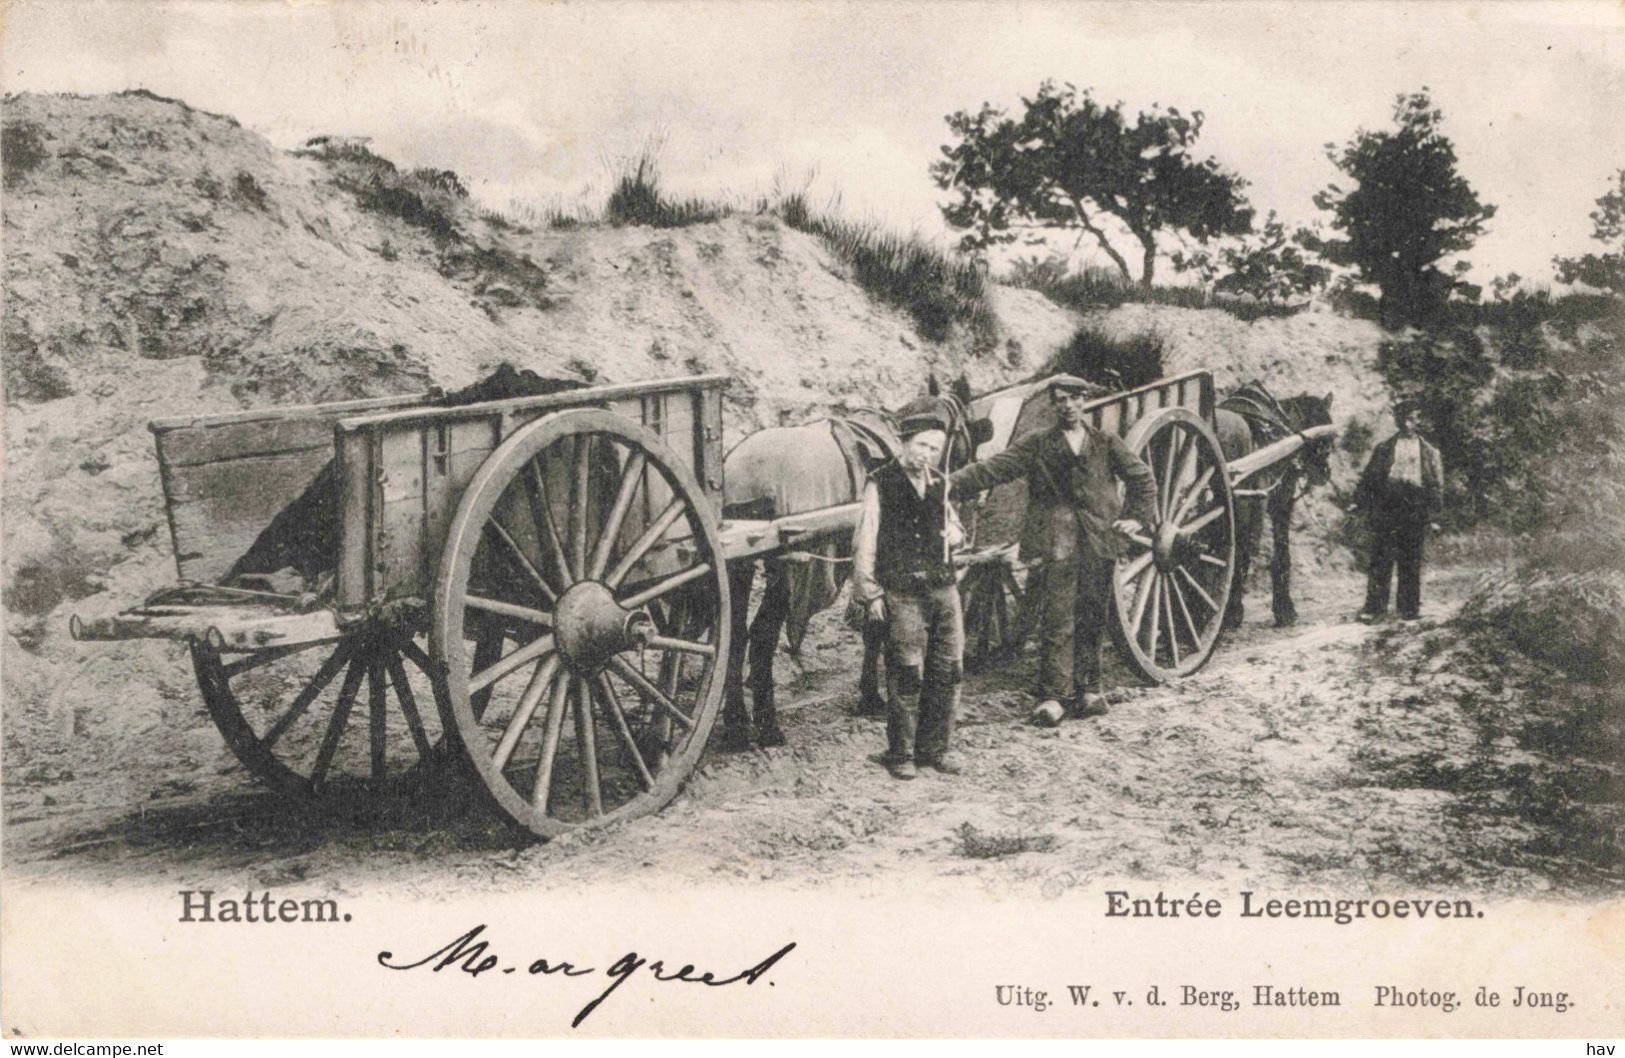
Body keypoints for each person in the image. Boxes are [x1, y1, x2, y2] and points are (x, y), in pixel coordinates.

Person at [950, 375, 1156, 726]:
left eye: (1075, 399)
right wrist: (948, 483)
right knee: (1057, 618)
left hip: (1099, 539)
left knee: (1093, 613)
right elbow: (994, 469)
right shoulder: (1038, 443)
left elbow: (1142, 479)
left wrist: (1136, 518)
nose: (1068, 406)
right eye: (1061, 400)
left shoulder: (1106, 442)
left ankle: (1090, 689)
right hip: (1055, 541)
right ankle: (1054, 696)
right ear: (1053, 403)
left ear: (1084, 401)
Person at [851, 407, 967, 780]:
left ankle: (937, 749)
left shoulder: (939, 483)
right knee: (906, 673)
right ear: (903, 444)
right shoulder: (881, 482)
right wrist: (870, 594)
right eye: (921, 446)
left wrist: (956, 535)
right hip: (902, 593)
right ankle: (901, 753)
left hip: (944, 590)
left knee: (948, 669)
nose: (927, 455)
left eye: (934, 449)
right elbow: (865, 541)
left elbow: (955, 526)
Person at [1353, 400, 1444, 623]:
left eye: (1412, 418)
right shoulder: (1384, 448)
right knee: (1381, 559)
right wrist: (1359, 502)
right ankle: (1374, 608)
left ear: (1418, 421)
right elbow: (1369, 479)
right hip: (1388, 506)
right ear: (1397, 420)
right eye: (1403, 418)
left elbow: (1436, 486)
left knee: (1411, 559)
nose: (1408, 423)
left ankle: (1409, 608)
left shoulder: (1429, 452)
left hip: (1415, 507)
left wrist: (1433, 516)